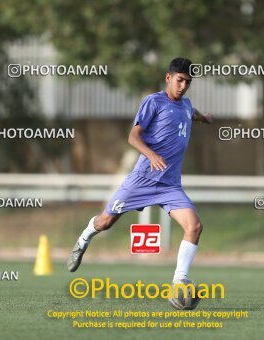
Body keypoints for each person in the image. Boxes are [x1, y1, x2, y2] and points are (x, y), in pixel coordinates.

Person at [67, 57, 212, 285]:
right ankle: (84, 239)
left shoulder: (185, 104)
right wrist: (152, 155)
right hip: (142, 180)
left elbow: (190, 112)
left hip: (170, 185)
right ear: (168, 78)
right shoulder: (153, 102)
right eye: (180, 80)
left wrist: (203, 118)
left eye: (188, 83)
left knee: (194, 227)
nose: (183, 86)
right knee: (105, 222)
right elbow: (133, 137)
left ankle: (179, 282)